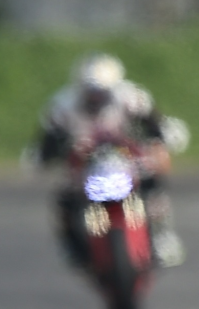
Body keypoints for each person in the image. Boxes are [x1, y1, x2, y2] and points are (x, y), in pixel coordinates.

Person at [32, 52, 189, 268]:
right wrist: (42, 156)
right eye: (90, 91)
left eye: (101, 91)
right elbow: (47, 142)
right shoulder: (62, 106)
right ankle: (72, 246)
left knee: (153, 186)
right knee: (64, 199)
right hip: (85, 164)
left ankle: (161, 235)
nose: (96, 97)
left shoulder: (132, 97)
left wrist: (164, 137)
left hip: (127, 159)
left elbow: (156, 125)